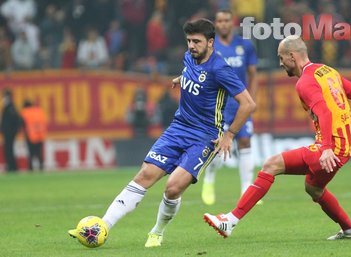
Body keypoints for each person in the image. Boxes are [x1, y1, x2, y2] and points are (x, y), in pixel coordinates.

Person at [68, 18, 256, 247]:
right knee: (144, 176)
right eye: (189, 41)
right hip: (177, 128)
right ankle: (103, 226)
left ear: (210, 43)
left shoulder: (220, 68)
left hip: (204, 137)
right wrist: (182, 78)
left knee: (172, 188)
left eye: (197, 41)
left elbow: (248, 103)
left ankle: (157, 231)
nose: (191, 46)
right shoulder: (189, 57)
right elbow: (192, 72)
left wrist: (230, 134)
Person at [203, 36, 351, 240]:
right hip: (345, 146)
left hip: (332, 148)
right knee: (314, 188)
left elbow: (325, 111)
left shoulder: (305, 83)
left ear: (292, 56)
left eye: (281, 58)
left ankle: (230, 221)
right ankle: (350, 231)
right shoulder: (327, 71)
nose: (280, 64)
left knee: (271, 165)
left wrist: (326, 147)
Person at [201, 10, 259, 206]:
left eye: (226, 20)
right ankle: (209, 179)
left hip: (240, 103)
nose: (223, 24)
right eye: (219, 21)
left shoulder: (245, 45)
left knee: (245, 141)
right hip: (219, 104)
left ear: (232, 23)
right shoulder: (210, 47)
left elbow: (253, 75)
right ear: (215, 24)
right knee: (218, 146)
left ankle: (246, 190)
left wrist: (252, 99)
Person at [20, 100, 47, 171]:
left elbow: (22, 123)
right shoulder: (39, 111)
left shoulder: (25, 112)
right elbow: (44, 121)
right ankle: (41, 166)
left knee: (31, 153)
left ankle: (30, 167)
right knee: (39, 152)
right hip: (40, 135)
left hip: (30, 135)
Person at [0, 89, 21, 172]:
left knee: (9, 149)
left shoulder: (10, 107)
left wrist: (13, 130)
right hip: (7, 132)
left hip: (9, 132)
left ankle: (12, 167)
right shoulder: (7, 107)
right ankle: (11, 166)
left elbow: (15, 120)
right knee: (8, 149)